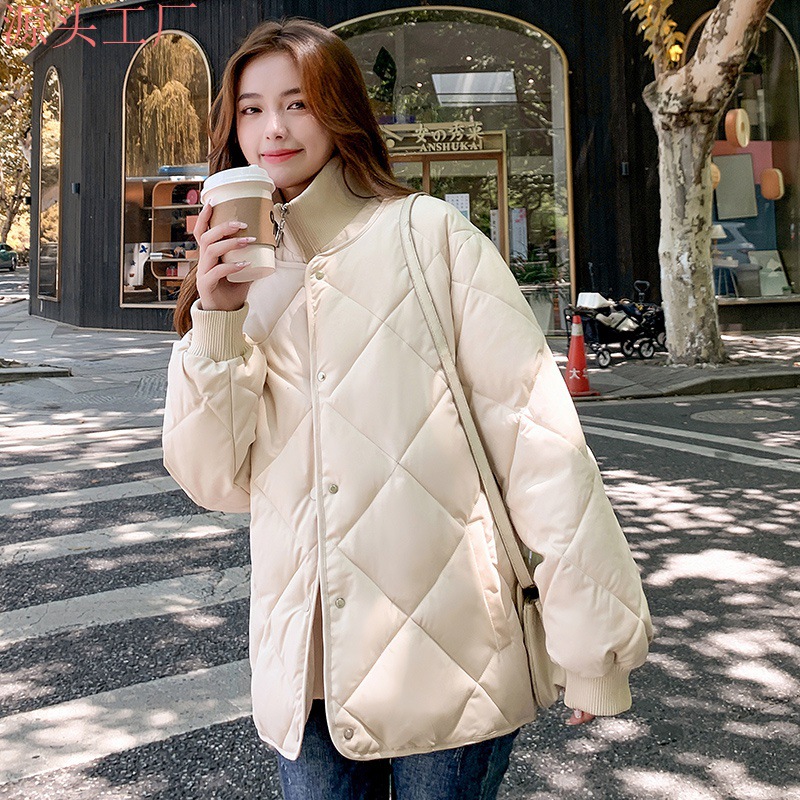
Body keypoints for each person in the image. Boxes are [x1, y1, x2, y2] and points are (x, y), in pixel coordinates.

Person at [163, 17, 652, 800]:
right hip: (305, 675)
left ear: (342, 111)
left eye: (297, 103)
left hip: (452, 663)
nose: (273, 128)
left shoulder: (432, 238)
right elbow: (213, 481)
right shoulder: (237, 280)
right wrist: (217, 321)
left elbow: (537, 442)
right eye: (251, 110)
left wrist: (593, 646)